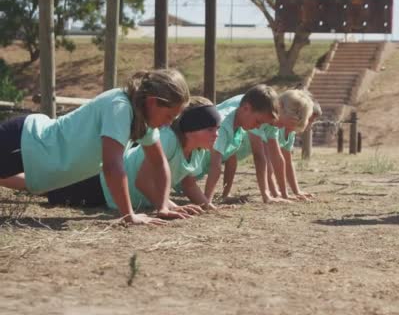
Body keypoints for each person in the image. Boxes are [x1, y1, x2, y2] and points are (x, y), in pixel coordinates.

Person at [0, 69, 191, 225]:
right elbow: (112, 167)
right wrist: (129, 215)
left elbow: (159, 163)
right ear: (152, 102)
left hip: (33, 152)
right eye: (168, 116)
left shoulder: (143, 120)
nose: (169, 124)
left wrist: (163, 206)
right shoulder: (120, 107)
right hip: (24, 142)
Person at [46, 97, 221, 215]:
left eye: (217, 129)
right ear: (191, 130)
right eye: (210, 129)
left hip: (118, 193)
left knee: (47, 184)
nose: (216, 134)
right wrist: (170, 206)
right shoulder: (168, 140)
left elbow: (188, 183)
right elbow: (142, 182)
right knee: (43, 186)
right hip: (101, 186)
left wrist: (208, 206)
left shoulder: (198, 150)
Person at [224, 90, 317, 201]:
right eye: (282, 124)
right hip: (217, 139)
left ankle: (224, 196)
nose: (280, 127)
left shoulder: (273, 122)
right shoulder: (259, 112)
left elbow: (278, 158)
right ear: (280, 106)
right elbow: (260, 157)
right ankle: (224, 195)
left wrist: (284, 194)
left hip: (230, 149)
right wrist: (266, 195)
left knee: (231, 157)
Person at [203, 84, 279, 207]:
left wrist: (225, 195)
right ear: (246, 108)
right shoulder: (222, 125)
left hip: (189, 176)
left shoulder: (239, 127)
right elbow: (215, 166)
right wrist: (207, 201)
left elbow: (231, 159)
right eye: (258, 121)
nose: (258, 127)